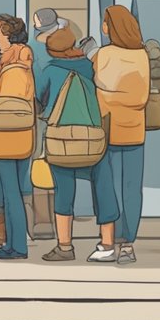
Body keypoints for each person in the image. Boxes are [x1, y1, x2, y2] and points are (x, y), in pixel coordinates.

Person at [38, 27, 121, 263]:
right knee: (103, 188)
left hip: (61, 139)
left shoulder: (50, 71)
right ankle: (107, 244)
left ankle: (65, 246)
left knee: (64, 191)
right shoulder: (91, 66)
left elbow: (39, 102)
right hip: (93, 137)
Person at [93, 5, 151, 265]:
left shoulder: (104, 54)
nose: (104, 27)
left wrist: (110, 96)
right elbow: (141, 96)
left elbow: (101, 90)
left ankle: (111, 240)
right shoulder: (142, 55)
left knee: (110, 188)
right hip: (135, 131)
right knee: (132, 190)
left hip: (109, 131)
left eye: (106, 23)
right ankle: (128, 243)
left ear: (111, 26)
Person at [0, 14, 35, 260]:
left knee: (9, 192)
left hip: (4, 135)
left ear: (6, 34)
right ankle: (17, 243)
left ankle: (16, 246)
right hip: (24, 134)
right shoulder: (26, 59)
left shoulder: (7, 62)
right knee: (16, 190)